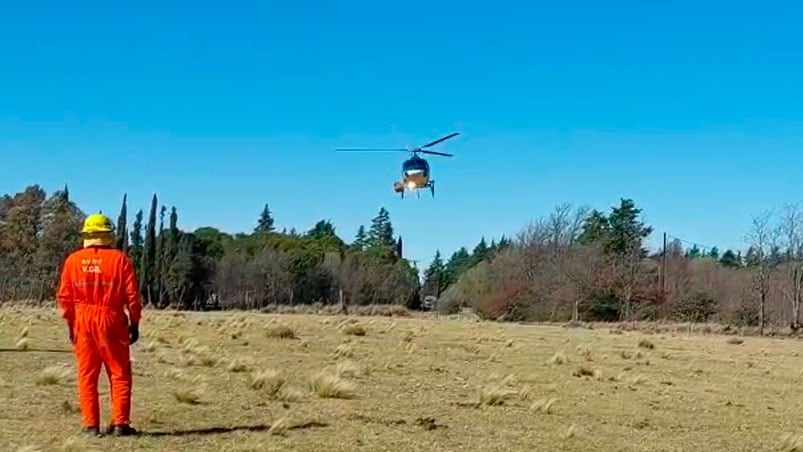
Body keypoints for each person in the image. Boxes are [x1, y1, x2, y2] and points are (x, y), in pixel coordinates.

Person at [56, 212, 142, 436]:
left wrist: (71, 324)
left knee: (86, 374)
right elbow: (132, 297)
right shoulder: (120, 260)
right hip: (112, 318)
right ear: (108, 235)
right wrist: (134, 323)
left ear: (87, 234)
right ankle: (120, 424)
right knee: (119, 372)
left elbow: (64, 298)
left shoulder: (73, 260)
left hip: (82, 319)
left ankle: (90, 426)